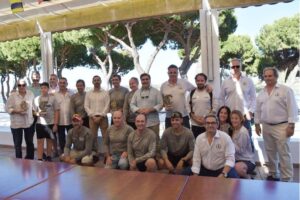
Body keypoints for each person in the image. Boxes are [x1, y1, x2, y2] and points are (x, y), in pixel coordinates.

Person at [255, 67, 298, 182]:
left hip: (282, 127)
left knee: (284, 153)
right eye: (265, 76)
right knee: (270, 151)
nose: (268, 78)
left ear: (276, 76)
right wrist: (257, 124)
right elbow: (258, 110)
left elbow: (292, 108)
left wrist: (291, 125)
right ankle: (273, 174)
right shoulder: (261, 93)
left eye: (270, 76)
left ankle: (287, 178)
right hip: (266, 126)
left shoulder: (285, 90)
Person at [219, 58, 256, 141]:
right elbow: (221, 98)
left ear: (240, 67)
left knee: (247, 142)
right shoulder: (225, 82)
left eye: (237, 66)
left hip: (244, 118)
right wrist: (224, 113)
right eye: (233, 67)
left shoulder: (248, 81)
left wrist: (251, 111)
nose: (235, 68)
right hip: (229, 118)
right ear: (230, 68)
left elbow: (254, 98)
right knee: (229, 141)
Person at [192, 113, 238, 178]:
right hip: (204, 170)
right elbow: (196, 159)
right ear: (204, 125)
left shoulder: (225, 137)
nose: (210, 125)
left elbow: (230, 158)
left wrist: (223, 173)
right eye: (208, 123)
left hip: (222, 170)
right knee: (186, 174)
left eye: (213, 123)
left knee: (235, 182)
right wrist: (195, 176)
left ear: (217, 124)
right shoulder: (199, 138)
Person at [5, 79, 35, 159]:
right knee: (17, 144)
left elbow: (34, 106)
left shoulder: (31, 94)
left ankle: (30, 159)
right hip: (16, 124)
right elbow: (7, 108)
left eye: (23, 85)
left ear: (26, 85)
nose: (21, 87)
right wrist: (17, 111)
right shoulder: (12, 96)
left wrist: (38, 113)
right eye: (19, 85)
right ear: (17, 86)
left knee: (30, 142)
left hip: (28, 122)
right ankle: (18, 160)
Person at [130, 73, 163, 143]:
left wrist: (150, 110)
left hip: (153, 123)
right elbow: (132, 104)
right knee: (142, 142)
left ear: (150, 80)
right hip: (140, 124)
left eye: (146, 79)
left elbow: (161, 104)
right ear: (141, 81)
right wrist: (139, 110)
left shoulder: (156, 92)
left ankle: (155, 154)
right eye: (143, 80)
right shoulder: (137, 92)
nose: (145, 81)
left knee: (155, 141)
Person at [160, 64, 194, 129]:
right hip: (170, 117)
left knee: (186, 137)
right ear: (168, 73)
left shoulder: (184, 82)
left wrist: (190, 104)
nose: (173, 74)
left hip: (183, 116)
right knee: (170, 138)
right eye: (171, 72)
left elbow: (195, 90)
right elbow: (161, 101)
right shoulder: (163, 85)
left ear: (177, 73)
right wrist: (165, 105)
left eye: (175, 72)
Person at [33, 82, 60, 161]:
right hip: (40, 123)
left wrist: (55, 124)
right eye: (41, 88)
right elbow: (33, 111)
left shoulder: (53, 98)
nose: (43, 89)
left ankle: (48, 156)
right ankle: (40, 158)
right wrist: (38, 113)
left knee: (49, 141)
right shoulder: (36, 99)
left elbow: (56, 111)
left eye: (45, 88)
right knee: (40, 141)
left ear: (48, 89)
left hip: (50, 123)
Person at [188, 73, 217, 138]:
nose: (200, 82)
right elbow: (187, 106)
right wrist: (194, 118)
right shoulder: (192, 93)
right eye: (198, 80)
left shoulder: (210, 92)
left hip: (208, 124)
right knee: (197, 143)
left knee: (209, 142)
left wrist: (206, 118)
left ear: (205, 81)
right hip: (195, 124)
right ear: (195, 81)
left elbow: (215, 106)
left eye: (202, 80)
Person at [84, 75, 110, 146]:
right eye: (95, 80)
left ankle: (106, 154)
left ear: (100, 81)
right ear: (92, 82)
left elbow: (107, 105)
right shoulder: (88, 93)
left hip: (103, 118)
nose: (96, 82)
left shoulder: (105, 93)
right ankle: (95, 155)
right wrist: (92, 116)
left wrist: (101, 116)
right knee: (92, 137)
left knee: (105, 137)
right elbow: (86, 106)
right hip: (92, 118)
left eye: (98, 80)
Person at [230, 110, 255, 178]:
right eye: (232, 118)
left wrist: (229, 143)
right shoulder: (235, 129)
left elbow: (241, 151)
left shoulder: (242, 132)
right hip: (237, 159)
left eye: (236, 118)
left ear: (241, 119)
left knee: (236, 167)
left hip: (247, 161)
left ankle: (247, 177)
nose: (233, 120)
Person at [54, 77, 73, 154]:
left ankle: (70, 152)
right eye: (60, 83)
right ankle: (63, 153)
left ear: (66, 84)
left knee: (71, 138)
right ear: (58, 84)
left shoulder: (71, 93)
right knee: (61, 139)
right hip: (60, 121)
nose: (62, 84)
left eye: (64, 83)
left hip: (70, 120)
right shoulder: (55, 95)